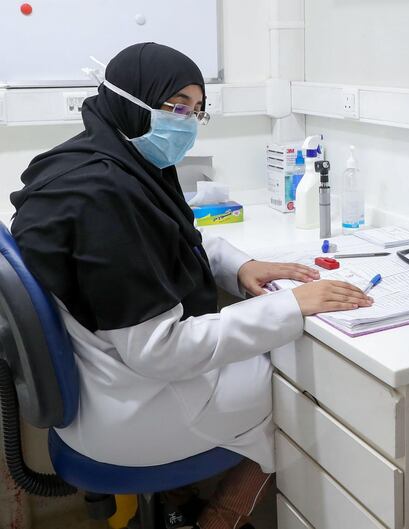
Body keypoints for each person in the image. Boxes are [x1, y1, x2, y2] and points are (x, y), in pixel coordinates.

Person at [10, 43, 372, 529]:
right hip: (131, 406)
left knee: (261, 357)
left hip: (103, 386)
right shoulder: (106, 198)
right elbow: (159, 351)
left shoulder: (93, 162)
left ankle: (176, 502)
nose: (186, 122)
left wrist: (239, 266)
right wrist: (292, 306)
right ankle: (218, 519)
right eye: (176, 106)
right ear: (130, 97)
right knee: (298, 387)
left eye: (197, 110)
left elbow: (166, 250)